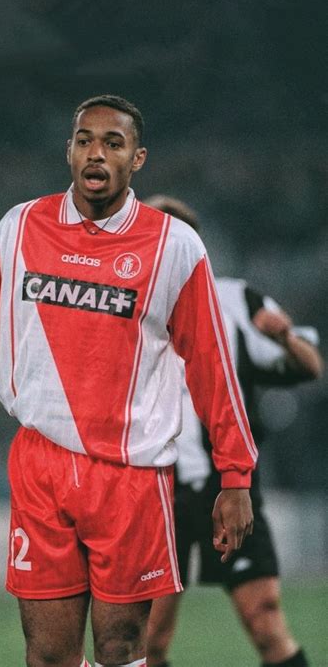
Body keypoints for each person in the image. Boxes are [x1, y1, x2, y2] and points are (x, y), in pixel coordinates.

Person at [0, 97, 258, 667]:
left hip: (130, 476)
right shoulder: (19, 228)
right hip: (42, 466)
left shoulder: (174, 247)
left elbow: (212, 368)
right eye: (85, 140)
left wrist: (235, 476)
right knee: (49, 653)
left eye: (113, 143)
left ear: (138, 159)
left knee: (119, 647)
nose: (97, 154)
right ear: (69, 151)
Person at [144, 195, 323, 667]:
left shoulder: (234, 299)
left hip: (231, 487)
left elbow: (310, 367)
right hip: (154, 492)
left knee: (265, 622)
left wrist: (284, 336)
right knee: (149, 640)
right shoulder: (123, 309)